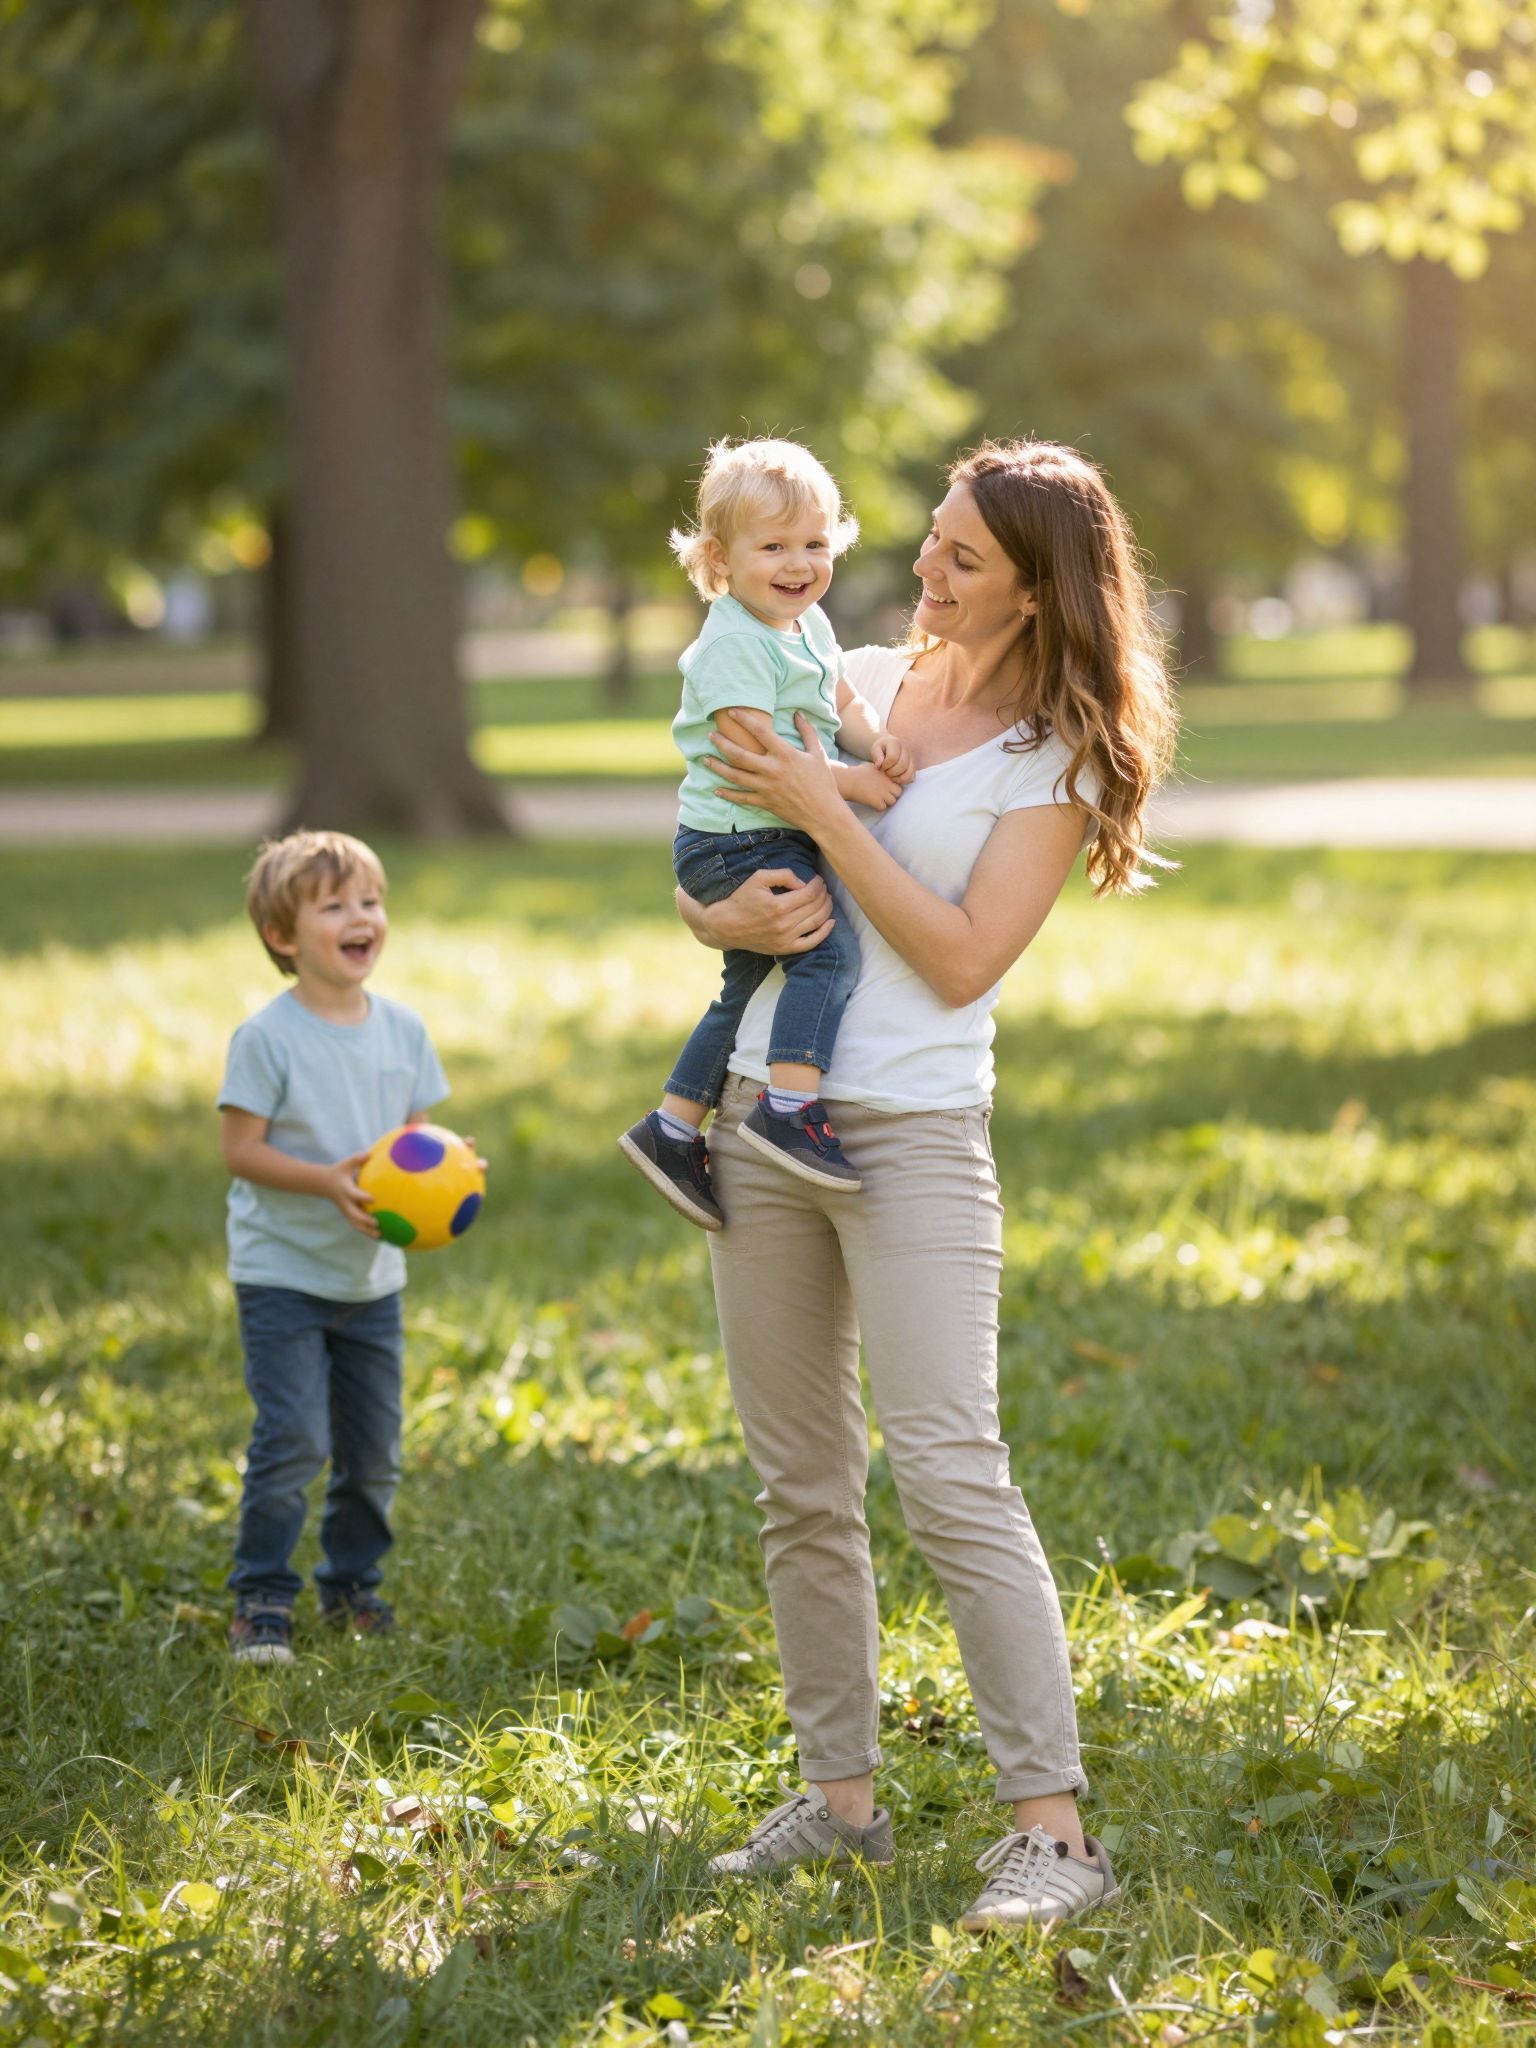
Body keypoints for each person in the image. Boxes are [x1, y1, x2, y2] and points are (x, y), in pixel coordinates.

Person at [678, 440, 1176, 1929]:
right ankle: (840, 1803)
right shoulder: (855, 673)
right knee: (800, 1486)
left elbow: (961, 956)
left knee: (952, 1469)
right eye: (933, 539)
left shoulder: (1057, 760)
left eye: (964, 558)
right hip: (763, 1114)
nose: (926, 571)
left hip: (911, 1137)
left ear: (1038, 591)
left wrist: (829, 816)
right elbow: (710, 864)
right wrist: (726, 904)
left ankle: (1056, 1836)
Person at [619, 438, 914, 1231]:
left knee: (746, 989)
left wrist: (873, 737)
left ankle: (674, 1128)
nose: (799, 563)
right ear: (720, 558)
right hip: (735, 839)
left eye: (815, 544)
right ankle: (790, 1109)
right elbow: (762, 754)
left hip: (762, 831)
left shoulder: (805, 624)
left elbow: (842, 700)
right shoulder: (732, 643)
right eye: (774, 546)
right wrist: (852, 786)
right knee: (827, 955)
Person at [217, 831, 456, 1666]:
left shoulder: (403, 1030)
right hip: (281, 1273)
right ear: (284, 938)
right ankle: (262, 1599)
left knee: (372, 1452)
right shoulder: (268, 1039)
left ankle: (353, 1584)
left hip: (370, 1283)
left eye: (370, 901)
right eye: (336, 906)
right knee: (293, 1441)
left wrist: (456, 1173)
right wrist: (325, 1181)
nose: (363, 918)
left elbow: (418, 1143)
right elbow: (240, 1151)